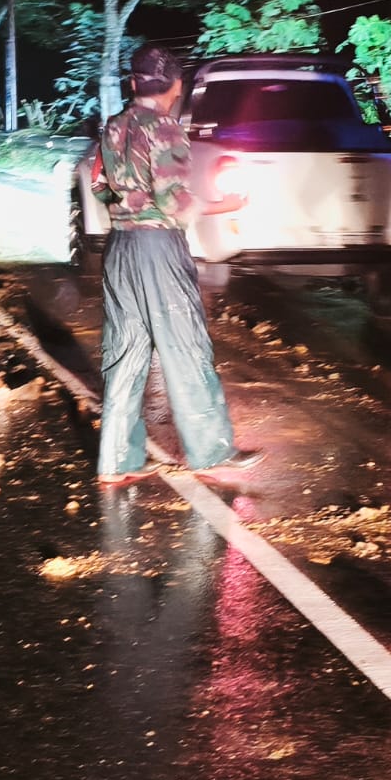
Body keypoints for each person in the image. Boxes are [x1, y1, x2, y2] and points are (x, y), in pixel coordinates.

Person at [94, 44, 261, 485]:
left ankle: (117, 460)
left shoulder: (114, 127)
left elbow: (98, 186)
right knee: (185, 347)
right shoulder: (165, 129)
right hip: (158, 249)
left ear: (134, 83)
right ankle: (210, 451)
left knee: (125, 352)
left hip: (120, 248)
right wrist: (224, 204)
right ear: (176, 86)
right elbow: (174, 201)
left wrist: (128, 208)